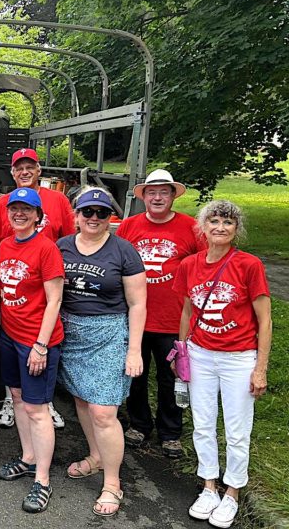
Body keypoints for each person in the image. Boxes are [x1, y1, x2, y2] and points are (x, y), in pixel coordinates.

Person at [173, 200, 271, 528]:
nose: (220, 227)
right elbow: (187, 311)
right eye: (213, 221)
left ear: (236, 229)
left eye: (227, 222)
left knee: (237, 429)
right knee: (202, 423)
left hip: (238, 358)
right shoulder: (190, 265)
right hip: (200, 354)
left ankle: (232, 492)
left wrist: (260, 367)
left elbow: (265, 319)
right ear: (203, 226)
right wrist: (182, 351)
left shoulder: (249, 265)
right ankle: (209, 486)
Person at [57, 187, 146, 517]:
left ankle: (112, 482)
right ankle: (95, 456)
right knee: (82, 399)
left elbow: (137, 304)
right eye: (87, 212)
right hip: (71, 331)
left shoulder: (124, 251)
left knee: (104, 411)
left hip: (108, 332)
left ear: (111, 217)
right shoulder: (62, 246)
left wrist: (134, 350)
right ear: (76, 215)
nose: (94, 219)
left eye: (101, 213)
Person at [0, 148, 75, 430]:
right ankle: (13, 401)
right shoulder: (4, 204)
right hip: (14, 288)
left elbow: (70, 240)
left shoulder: (58, 200)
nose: (24, 171)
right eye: (18, 167)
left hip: (47, 280)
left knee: (42, 347)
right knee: (11, 349)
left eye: (30, 166)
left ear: (39, 170)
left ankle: (44, 404)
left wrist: (64, 272)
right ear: (12, 172)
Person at [117, 169, 204, 458]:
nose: (157, 197)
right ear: (143, 197)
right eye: (151, 192)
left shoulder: (191, 228)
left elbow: (207, 264)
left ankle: (171, 432)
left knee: (171, 378)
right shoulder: (129, 226)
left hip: (173, 318)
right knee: (136, 374)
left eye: (163, 192)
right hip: (136, 316)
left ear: (172, 196)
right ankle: (139, 424)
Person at [0, 188, 65, 513]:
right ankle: (28, 457)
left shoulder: (46, 248)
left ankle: (43, 480)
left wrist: (40, 345)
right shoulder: (5, 244)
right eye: (15, 208)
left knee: (38, 408)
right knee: (19, 398)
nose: (19, 213)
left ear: (38, 216)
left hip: (36, 341)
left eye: (27, 209)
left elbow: (55, 300)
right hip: (10, 335)